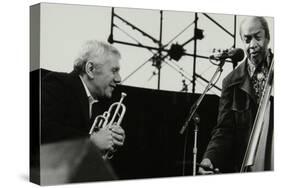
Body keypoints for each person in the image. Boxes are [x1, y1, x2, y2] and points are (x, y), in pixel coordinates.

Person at [199, 16, 274, 174]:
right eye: (247, 40)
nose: (252, 45)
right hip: (248, 167)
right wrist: (210, 158)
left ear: (267, 37)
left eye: (257, 37)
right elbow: (224, 130)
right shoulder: (231, 82)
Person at [41, 40, 126, 155]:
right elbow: (43, 128)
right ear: (91, 69)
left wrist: (111, 138)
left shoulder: (96, 104)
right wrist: (91, 141)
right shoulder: (58, 83)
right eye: (114, 71)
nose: (119, 79)